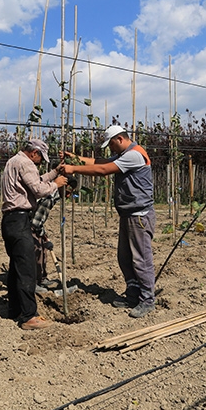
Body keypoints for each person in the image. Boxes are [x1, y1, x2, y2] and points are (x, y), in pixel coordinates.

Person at [60, 125, 156, 318]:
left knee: (141, 259)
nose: (111, 149)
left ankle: (147, 299)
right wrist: (75, 158)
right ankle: (132, 294)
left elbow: (103, 170)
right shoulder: (125, 154)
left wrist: (73, 169)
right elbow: (99, 161)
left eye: (111, 144)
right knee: (125, 258)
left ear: (120, 139)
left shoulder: (134, 155)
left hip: (139, 216)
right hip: (128, 214)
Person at [1, 139, 67, 329]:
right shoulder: (25, 163)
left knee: (15, 268)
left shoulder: (13, 161)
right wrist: (57, 183)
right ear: (34, 153)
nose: (38, 163)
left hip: (9, 221)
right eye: (39, 158)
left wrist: (54, 172)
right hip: (20, 220)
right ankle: (29, 317)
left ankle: (14, 310)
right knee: (27, 270)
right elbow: (38, 189)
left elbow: (35, 180)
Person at [31, 176, 78, 293]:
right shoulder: (49, 198)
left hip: (33, 226)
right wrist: (43, 236)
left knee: (43, 251)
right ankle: (33, 283)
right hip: (28, 227)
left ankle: (41, 279)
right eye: (68, 192)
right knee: (35, 252)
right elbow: (35, 223)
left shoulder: (52, 195)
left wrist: (44, 237)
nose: (68, 196)